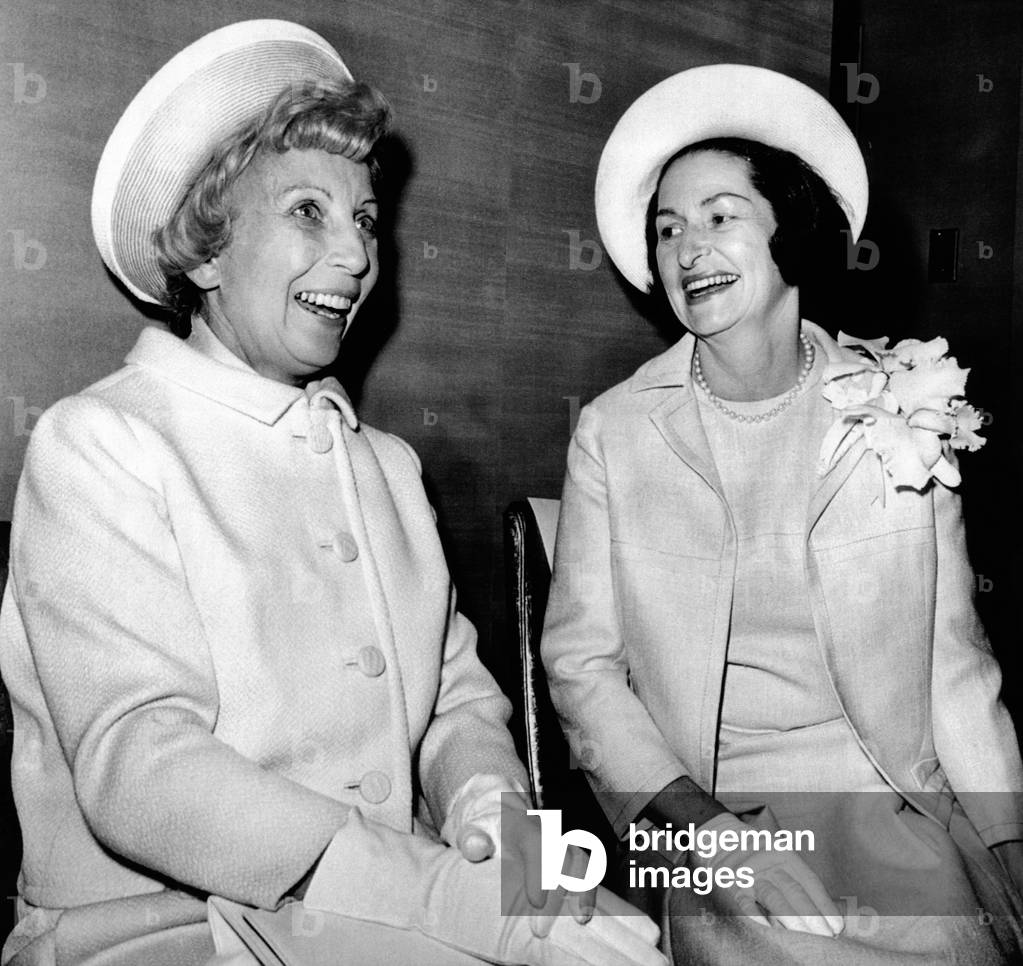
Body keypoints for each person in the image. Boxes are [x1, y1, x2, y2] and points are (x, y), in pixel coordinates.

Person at [0, 21, 665, 966]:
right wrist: (455, 901)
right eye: (307, 211)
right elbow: (140, 769)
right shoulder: (101, 443)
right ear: (204, 251)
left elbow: (455, 713)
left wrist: (521, 863)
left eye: (363, 218)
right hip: (159, 933)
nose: (356, 256)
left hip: (380, 916)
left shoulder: (386, 468)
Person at [540, 63, 1023, 964]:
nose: (688, 249)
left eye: (720, 216)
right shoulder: (615, 432)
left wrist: (1008, 845)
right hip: (709, 810)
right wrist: (706, 836)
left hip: (888, 798)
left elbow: (953, 665)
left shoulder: (900, 403)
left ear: (789, 230)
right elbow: (582, 669)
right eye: (668, 229)